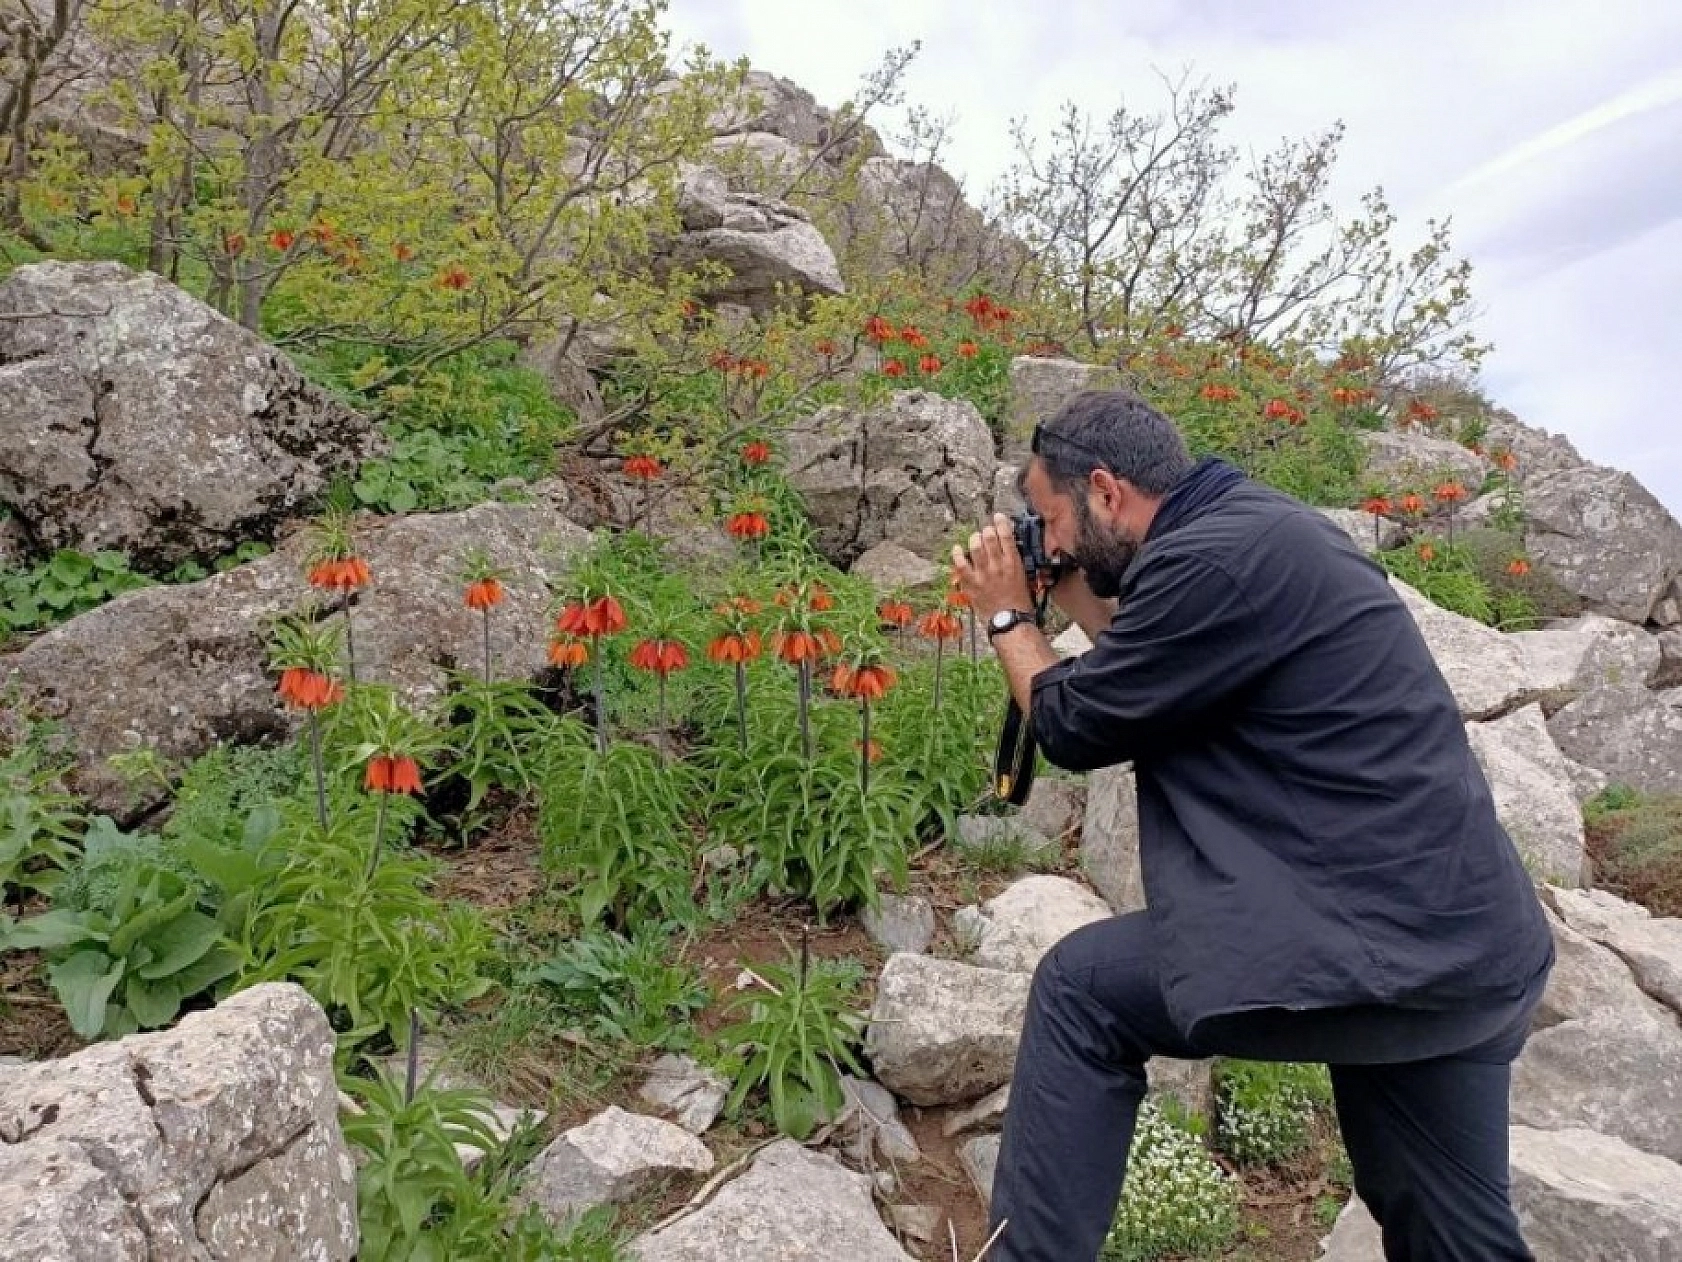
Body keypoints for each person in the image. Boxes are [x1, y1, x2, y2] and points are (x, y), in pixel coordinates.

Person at [950, 389, 1555, 1262]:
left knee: (1083, 991)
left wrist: (1008, 615)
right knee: (1452, 1235)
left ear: (1108, 491)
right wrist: (1074, 582)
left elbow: (1072, 723)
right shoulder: (1257, 529)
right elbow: (1147, 658)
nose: (1056, 542)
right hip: (1465, 946)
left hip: (1376, 951)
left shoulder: (1210, 566)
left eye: (1055, 520)